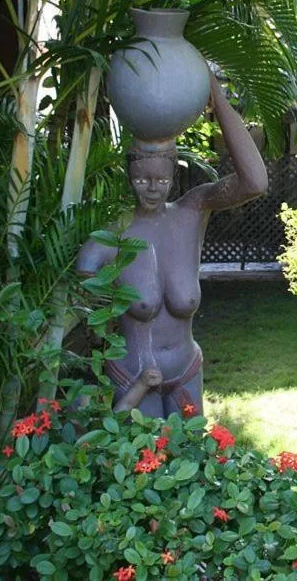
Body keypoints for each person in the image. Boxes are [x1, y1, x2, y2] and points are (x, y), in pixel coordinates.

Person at [76, 73, 267, 417]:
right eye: (142, 179)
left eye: (162, 179)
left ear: (175, 177)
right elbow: (80, 308)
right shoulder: (109, 241)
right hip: (133, 375)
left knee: (192, 462)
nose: (152, 188)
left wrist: (217, 100)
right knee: (142, 463)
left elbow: (254, 182)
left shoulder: (191, 212)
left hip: (186, 370)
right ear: (128, 179)